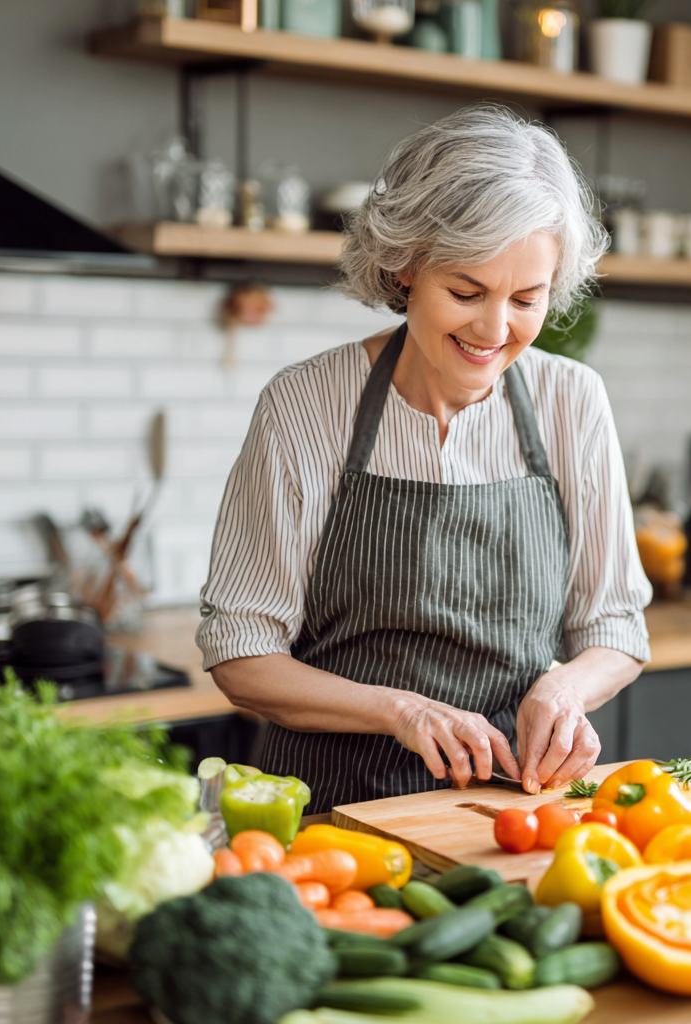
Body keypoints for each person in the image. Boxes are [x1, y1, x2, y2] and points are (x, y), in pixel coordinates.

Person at [196, 105, 652, 812]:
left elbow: (615, 628)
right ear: (406, 266)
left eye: (527, 300)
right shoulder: (307, 404)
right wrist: (399, 712)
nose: (494, 330)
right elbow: (241, 654)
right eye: (466, 292)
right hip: (332, 815)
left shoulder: (574, 403)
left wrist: (565, 690)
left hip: (507, 815)